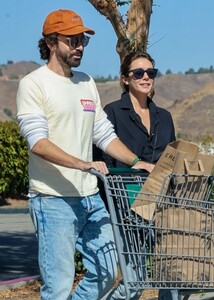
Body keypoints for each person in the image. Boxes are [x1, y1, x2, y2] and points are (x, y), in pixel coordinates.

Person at [16, 9, 150, 300]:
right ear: (51, 42)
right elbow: (38, 142)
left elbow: (103, 134)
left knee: (108, 269)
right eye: (72, 40)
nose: (79, 46)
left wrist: (139, 163)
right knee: (58, 286)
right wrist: (83, 163)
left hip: (90, 196)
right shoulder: (33, 84)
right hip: (53, 200)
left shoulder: (86, 82)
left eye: (83, 41)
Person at [94, 51, 179, 300]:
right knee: (136, 281)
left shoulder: (165, 117)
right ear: (125, 79)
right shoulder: (112, 113)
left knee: (172, 276)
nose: (145, 77)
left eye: (150, 72)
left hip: (162, 205)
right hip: (126, 208)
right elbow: (103, 161)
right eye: (138, 73)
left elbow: (171, 158)